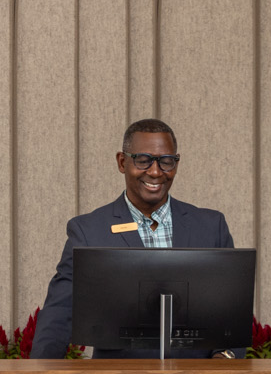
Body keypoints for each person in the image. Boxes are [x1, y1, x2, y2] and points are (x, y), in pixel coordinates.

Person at [28, 118, 235, 358]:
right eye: (143, 160)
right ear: (122, 162)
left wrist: (225, 358)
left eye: (166, 161)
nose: (156, 172)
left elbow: (230, 310)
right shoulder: (88, 231)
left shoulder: (211, 227)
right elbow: (60, 311)